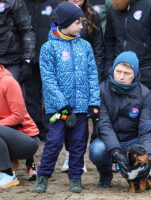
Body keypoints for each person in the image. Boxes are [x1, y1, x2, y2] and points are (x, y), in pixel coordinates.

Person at [32, 2, 100, 193]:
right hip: (59, 110)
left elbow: (92, 75)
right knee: (53, 143)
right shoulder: (48, 48)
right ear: (64, 23)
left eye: (82, 22)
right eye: (78, 22)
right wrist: (62, 106)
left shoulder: (85, 46)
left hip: (80, 107)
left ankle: (75, 178)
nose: (81, 26)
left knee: (78, 144)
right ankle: (43, 177)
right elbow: (49, 80)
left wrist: (93, 102)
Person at [89, 51, 151, 188]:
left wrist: (148, 157)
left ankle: (139, 171)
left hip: (133, 140)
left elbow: (146, 128)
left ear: (135, 74)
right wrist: (116, 152)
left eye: (127, 73)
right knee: (97, 150)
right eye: (118, 71)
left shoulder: (144, 93)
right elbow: (104, 125)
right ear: (113, 70)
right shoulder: (102, 90)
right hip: (108, 139)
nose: (121, 77)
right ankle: (105, 173)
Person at [60, 0, 105, 173]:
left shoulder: (93, 15)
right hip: (65, 76)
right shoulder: (58, 13)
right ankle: (70, 154)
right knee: (66, 116)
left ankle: (79, 158)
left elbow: (98, 48)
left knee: (84, 119)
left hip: (86, 75)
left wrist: (97, 75)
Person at [104, 0, 151, 92]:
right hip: (119, 73)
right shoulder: (114, 8)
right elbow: (109, 40)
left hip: (146, 71)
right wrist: (109, 68)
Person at [23, 0, 60, 142]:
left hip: (51, 58)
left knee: (51, 95)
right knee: (31, 96)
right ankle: (35, 129)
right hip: (29, 58)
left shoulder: (56, 3)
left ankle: (49, 129)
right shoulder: (23, 4)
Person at [0, 65, 40, 189]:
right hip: (8, 136)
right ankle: (10, 162)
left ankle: (7, 175)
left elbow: (18, 115)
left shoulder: (8, 82)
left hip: (28, 140)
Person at [0, 0, 35, 82]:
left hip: (11, 62)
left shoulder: (14, 2)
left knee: (12, 94)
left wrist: (27, 60)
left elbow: (27, 30)